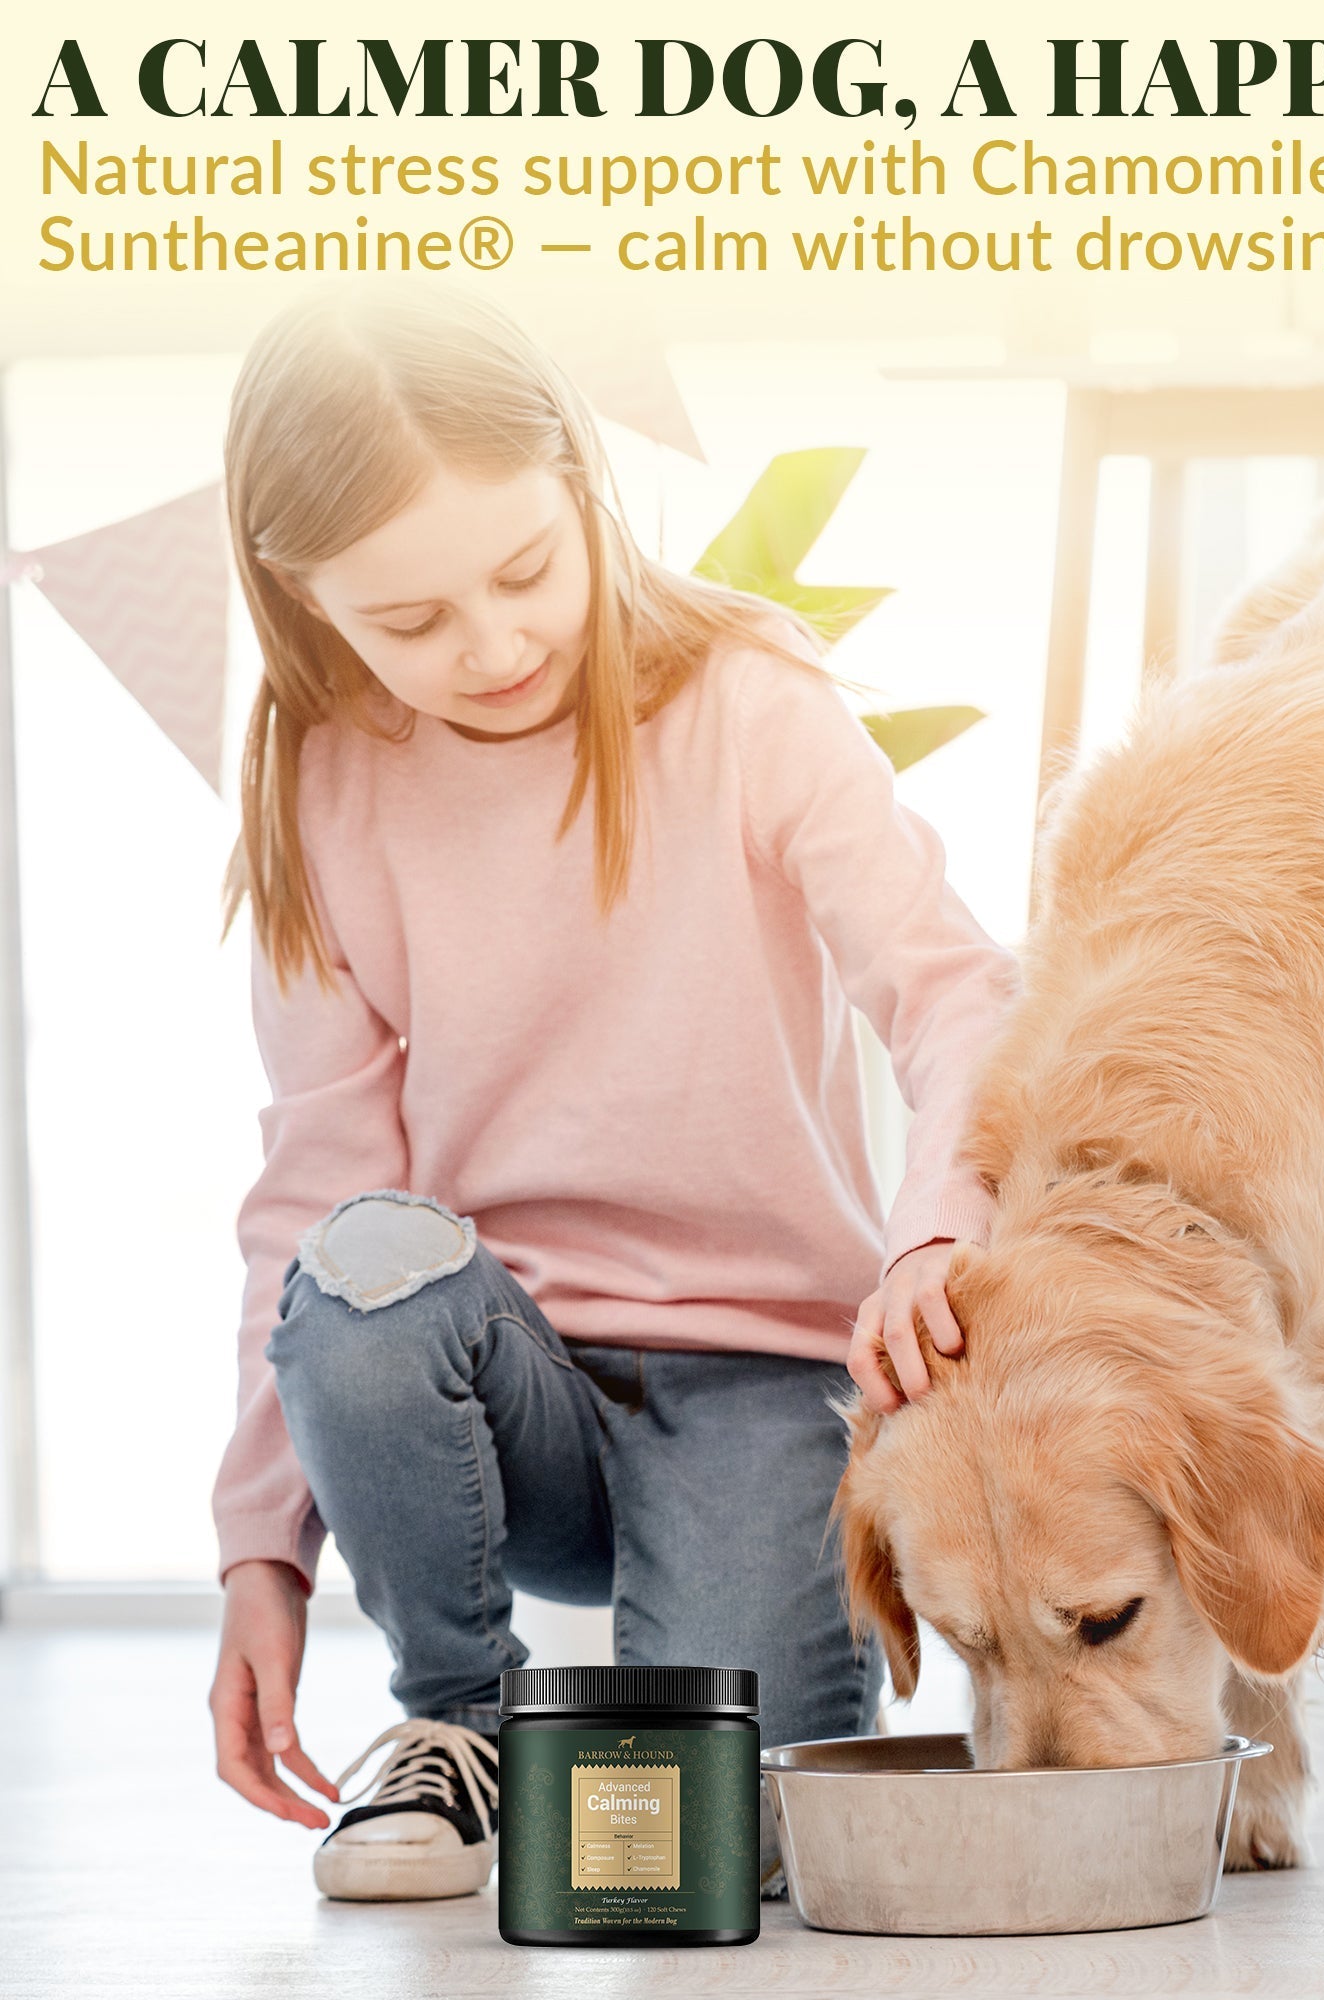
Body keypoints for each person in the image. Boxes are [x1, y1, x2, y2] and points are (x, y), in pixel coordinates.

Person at [205, 289, 1016, 1901]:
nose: (495, 649)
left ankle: (647, 1753)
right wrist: (259, 1552)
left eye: (525, 572)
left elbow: (954, 994)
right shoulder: (323, 783)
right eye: (410, 620)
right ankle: (458, 1723)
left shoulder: (751, 700)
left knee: (722, 1849)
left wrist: (937, 1236)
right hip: (502, 1390)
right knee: (360, 1271)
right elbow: (314, 1198)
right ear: (305, 598)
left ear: (580, 482)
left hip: (770, 1385)